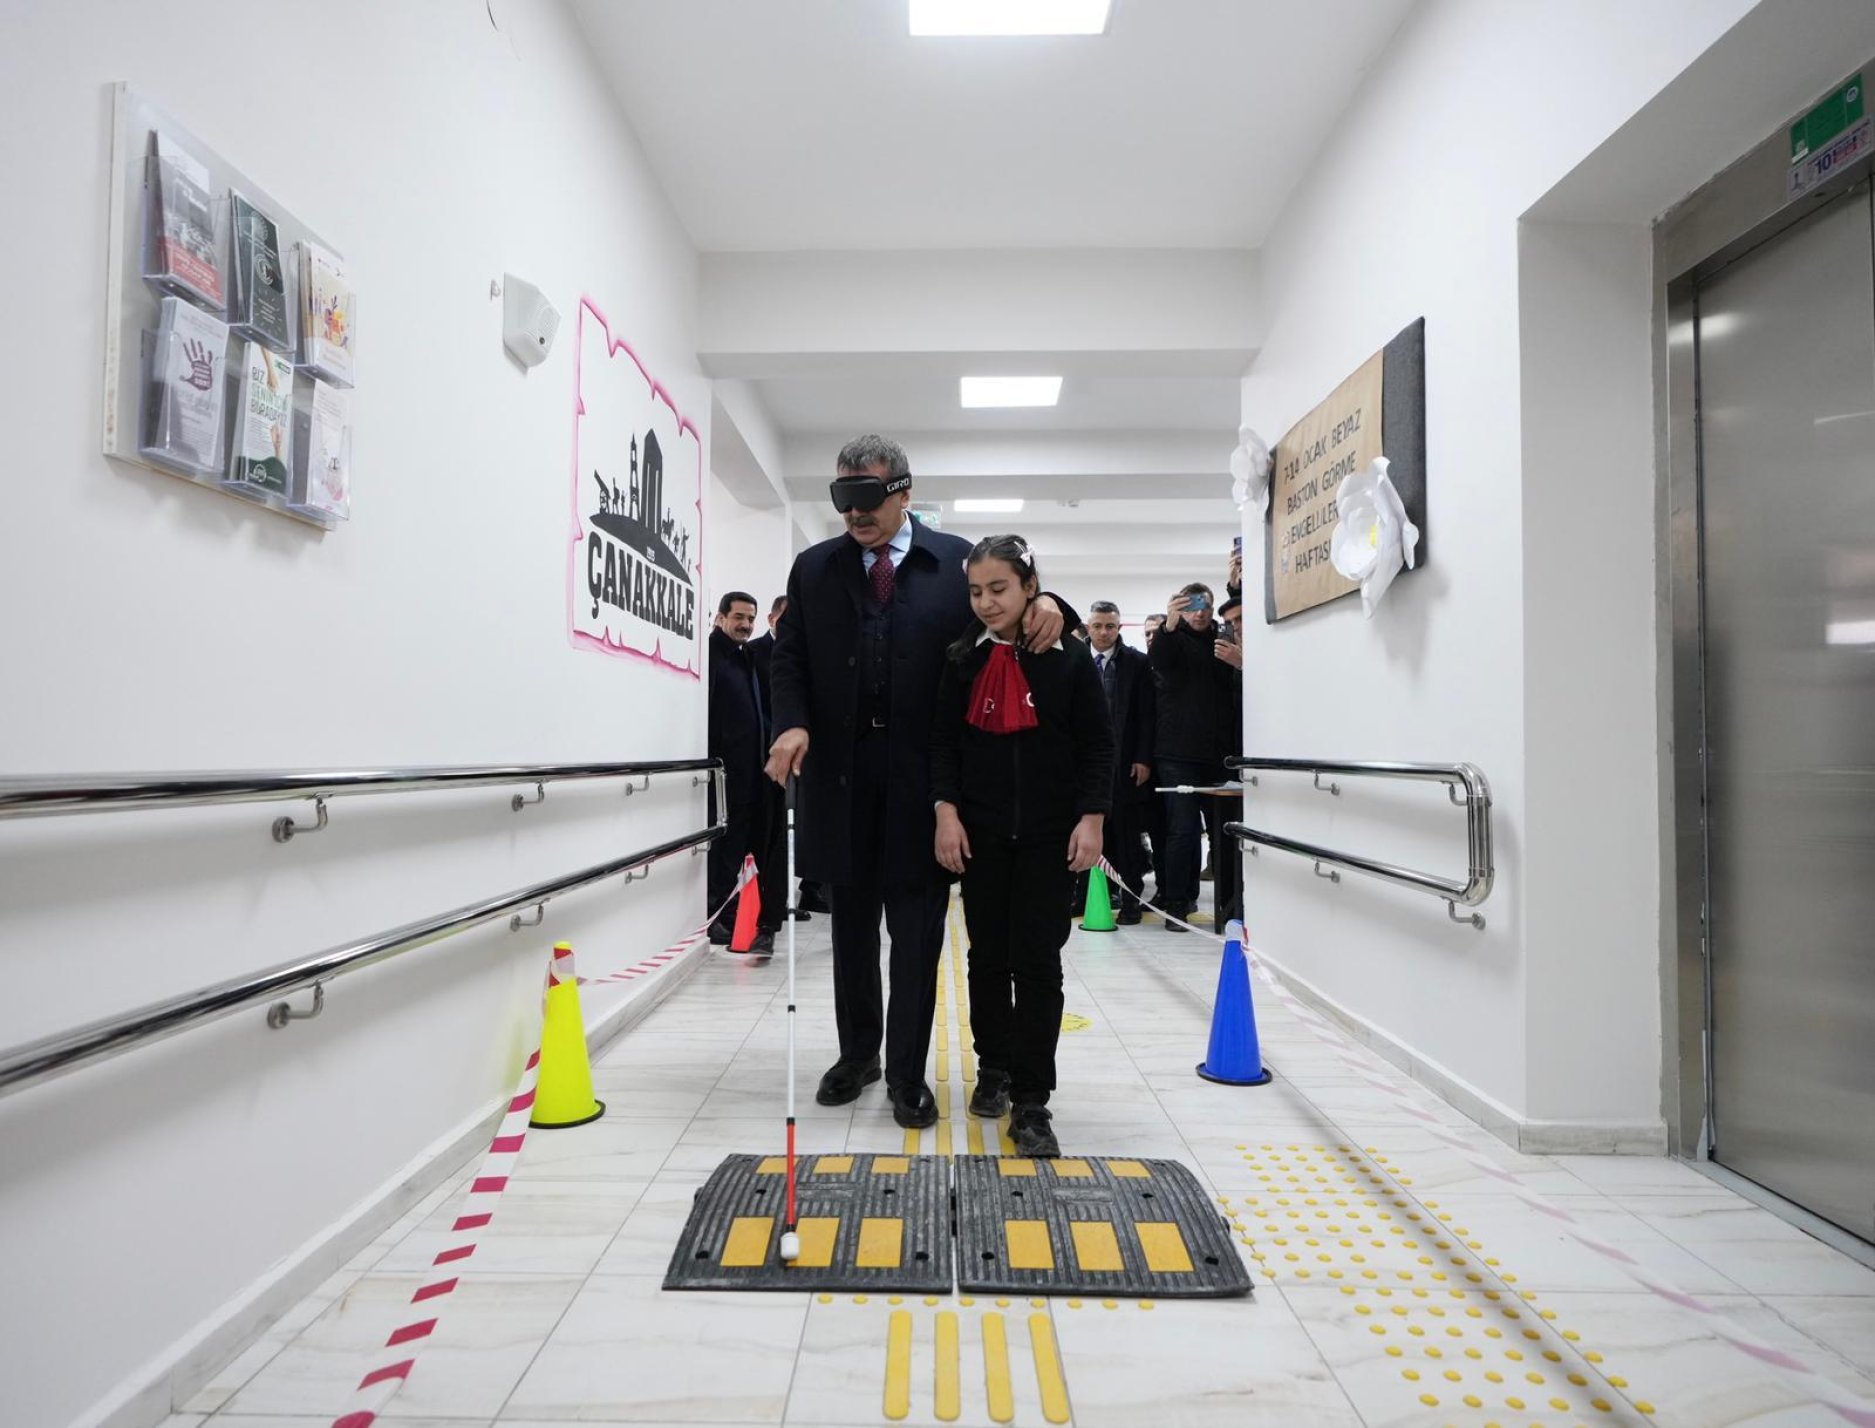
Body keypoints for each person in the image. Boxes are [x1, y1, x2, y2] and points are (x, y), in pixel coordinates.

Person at [767, 435, 1070, 1129]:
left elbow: (1010, 610)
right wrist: (791, 722)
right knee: (849, 932)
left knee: (915, 935)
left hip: (923, 784)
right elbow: (789, 659)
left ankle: (906, 1073)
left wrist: (1051, 598)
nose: (854, 514)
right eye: (842, 500)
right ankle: (857, 1055)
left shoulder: (954, 563)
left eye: (867, 498)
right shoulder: (814, 569)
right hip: (840, 781)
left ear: (903, 491)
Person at [930, 535, 1113, 1158]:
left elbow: (1097, 744)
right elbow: (943, 744)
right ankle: (994, 1069)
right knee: (986, 959)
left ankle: (1033, 1100)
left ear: (1031, 586)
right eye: (976, 591)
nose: (986, 602)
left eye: (999, 589)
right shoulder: (962, 658)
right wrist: (946, 813)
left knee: (1038, 965)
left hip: (1049, 836)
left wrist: (1092, 819)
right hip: (979, 836)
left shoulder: (1069, 659)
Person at [1149, 581, 1234, 931]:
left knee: (1222, 833)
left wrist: (1238, 660)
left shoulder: (1224, 640)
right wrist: (1168, 625)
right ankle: (1176, 904)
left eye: (1205, 606)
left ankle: (1230, 906)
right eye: (1192, 606)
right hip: (1177, 753)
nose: (1199, 613)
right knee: (1182, 831)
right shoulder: (1171, 639)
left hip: (1218, 753)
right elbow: (1159, 661)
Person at [706, 591, 779, 954]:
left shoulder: (744, 656)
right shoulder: (711, 656)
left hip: (749, 774)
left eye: (750, 618)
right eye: (738, 617)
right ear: (720, 618)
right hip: (724, 774)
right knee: (723, 848)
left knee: (738, 847)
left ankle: (730, 911)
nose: (746, 625)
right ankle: (714, 914)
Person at [1081, 600, 1155, 924]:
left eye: (1110, 626)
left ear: (1119, 628)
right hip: (1083, 764)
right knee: (1084, 830)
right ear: (1088, 627)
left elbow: (1146, 715)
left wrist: (1142, 757)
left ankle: (1130, 901)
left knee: (1126, 836)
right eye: (1097, 626)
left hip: (1124, 761)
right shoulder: (1076, 659)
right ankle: (1084, 897)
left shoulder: (1136, 663)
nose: (1103, 632)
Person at [746, 596, 810, 922]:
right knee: (764, 835)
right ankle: (759, 910)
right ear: (771, 619)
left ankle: (778, 905)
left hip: (796, 762)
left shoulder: (805, 656)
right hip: (762, 759)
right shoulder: (752, 653)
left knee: (787, 838)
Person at [1212, 594, 1246, 928]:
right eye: (1231, 623)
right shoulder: (1225, 660)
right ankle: (1232, 907)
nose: (1237, 628)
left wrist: (1243, 665)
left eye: (1241, 619)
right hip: (1234, 760)